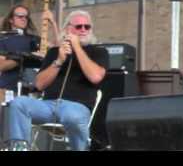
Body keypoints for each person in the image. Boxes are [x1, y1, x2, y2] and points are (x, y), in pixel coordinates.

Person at [7, 10, 109, 151]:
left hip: (77, 106)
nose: (84, 30)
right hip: (48, 106)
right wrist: (59, 61)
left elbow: (96, 77)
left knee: (71, 115)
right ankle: (19, 147)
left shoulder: (99, 51)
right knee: (18, 103)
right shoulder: (54, 52)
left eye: (87, 26)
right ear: (68, 29)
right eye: (79, 27)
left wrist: (77, 47)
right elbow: (39, 84)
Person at [0, 5, 59, 91]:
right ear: (11, 19)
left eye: (26, 17)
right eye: (20, 16)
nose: (24, 19)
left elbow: (59, 48)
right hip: (8, 89)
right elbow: (1, 65)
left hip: (31, 89)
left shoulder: (34, 39)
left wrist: (53, 22)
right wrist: (28, 57)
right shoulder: (3, 38)